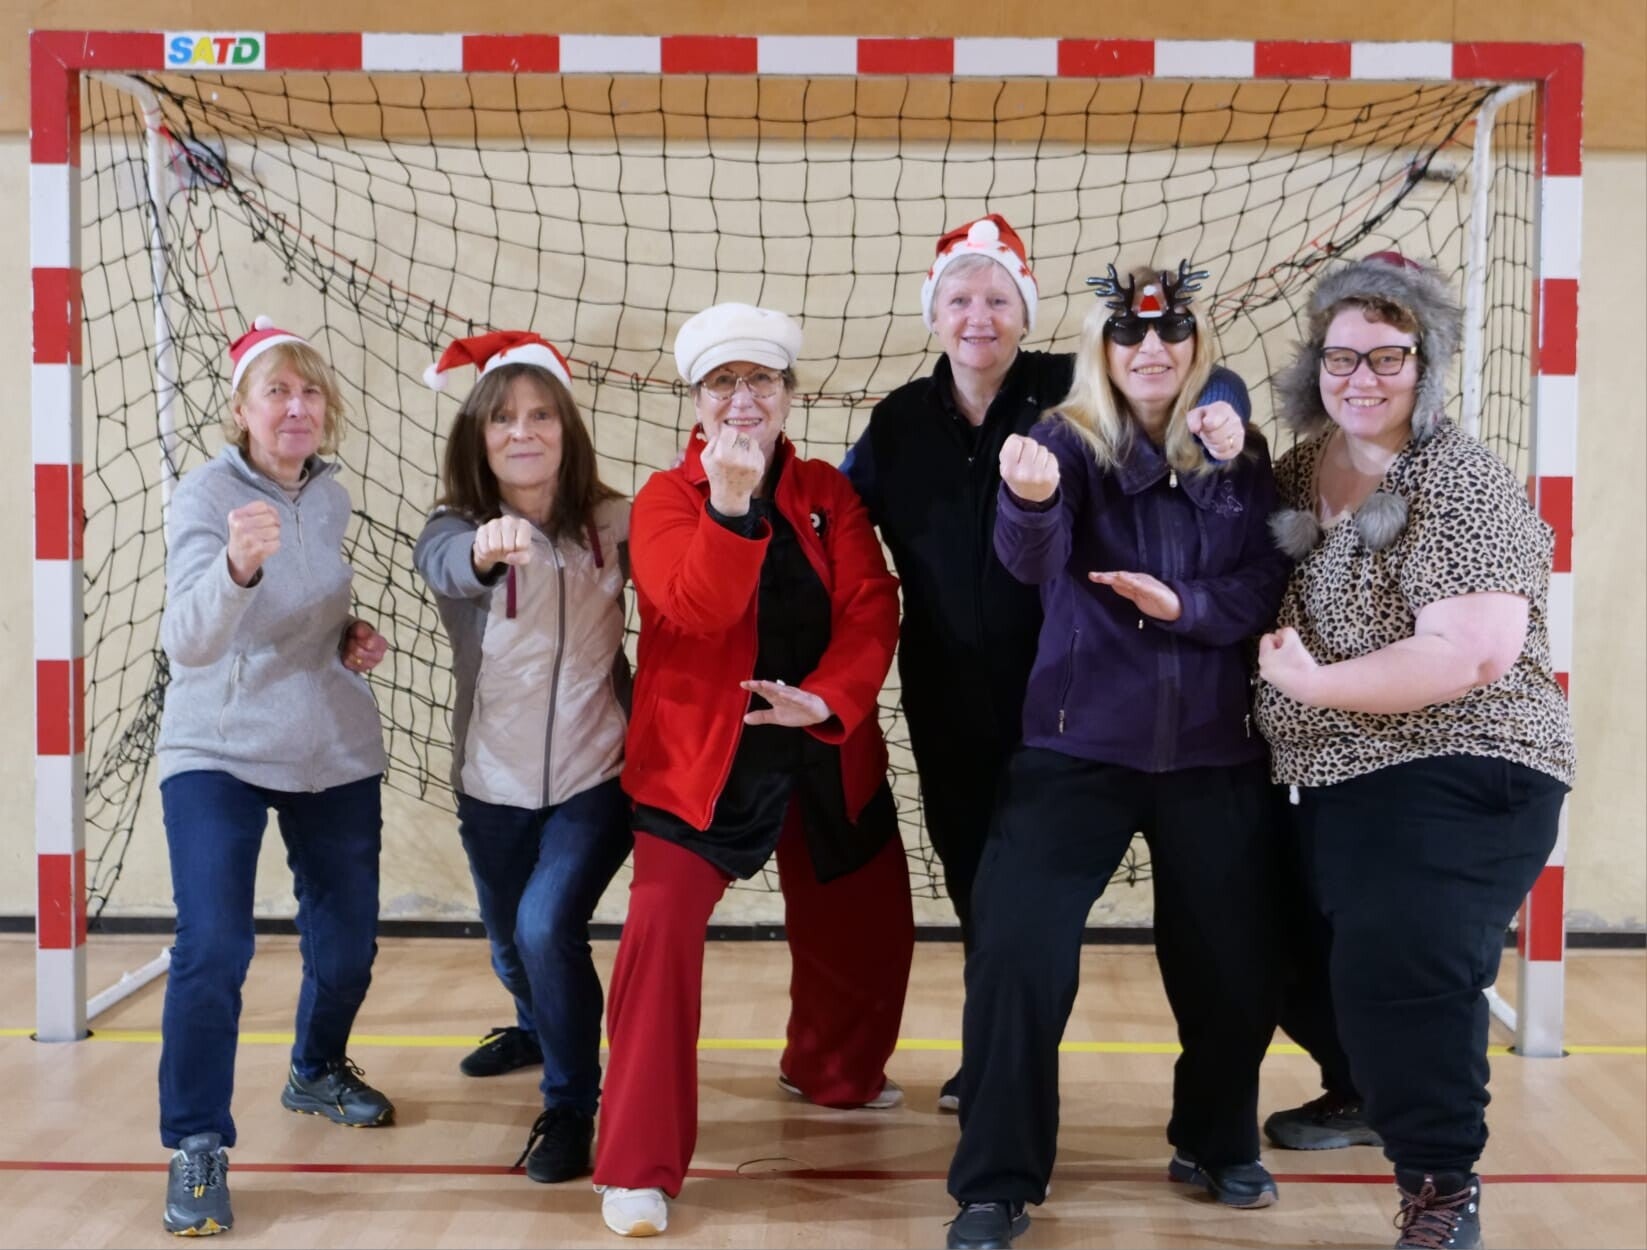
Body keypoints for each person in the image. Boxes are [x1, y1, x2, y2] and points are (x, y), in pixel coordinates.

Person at [842, 217, 1251, 1113]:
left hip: (1065, 696)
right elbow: (833, 508)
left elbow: (1176, 372)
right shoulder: (897, 421)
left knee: (1037, 897)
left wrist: (1229, 402)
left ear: (1025, 316)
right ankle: (994, 1060)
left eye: (997, 299)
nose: (977, 318)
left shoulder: (1067, 393)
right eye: (959, 300)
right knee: (974, 881)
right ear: (933, 316)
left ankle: (1025, 1077)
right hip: (945, 691)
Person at [943, 264, 1293, 1250]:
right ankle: (997, 1180)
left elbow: (1266, 577)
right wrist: (1028, 501)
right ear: (1101, 349)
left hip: (1214, 753)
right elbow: (1029, 559)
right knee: (1017, 954)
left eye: (1170, 333)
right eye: (1129, 335)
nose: (1150, 349)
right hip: (1077, 744)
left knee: (1233, 961)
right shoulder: (1062, 441)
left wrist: (1185, 605)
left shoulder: (1237, 451)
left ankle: (1215, 1139)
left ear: (1195, 345)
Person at [1254, 252, 1575, 1249]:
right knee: (1261, 938)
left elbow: (1470, 654)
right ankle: (1364, 1084)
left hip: (1465, 758)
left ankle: (1440, 1182)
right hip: (1331, 768)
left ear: (1425, 364)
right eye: (1342, 356)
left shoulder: (1459, 478)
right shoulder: (1302, 468)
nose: (1362, 377)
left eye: (1387, 357)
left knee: (1402, 951)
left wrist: (1311, 685)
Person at [591, 303, 913, 1238]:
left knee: (869, 921)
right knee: (657, 935)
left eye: (760, 381)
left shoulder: (826, 492)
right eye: (722, 383)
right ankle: (636, 1167)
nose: (743, 399)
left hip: (818, 743)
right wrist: (730, 508)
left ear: (786, 394)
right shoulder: (665, 499)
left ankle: (831, 1071)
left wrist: (828, 700)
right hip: (700, 761)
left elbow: (871, 602)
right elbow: (692, 609)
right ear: (697, 401)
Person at [155, 317, 394, 1236]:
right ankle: (196, 1143)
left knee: (348, 949)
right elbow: (189, 640)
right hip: (217, 749)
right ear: (242, 410)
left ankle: (315, 1069)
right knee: (214, 946)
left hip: (329, 747)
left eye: (309, 392)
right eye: (276, 392)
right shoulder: (206, 495)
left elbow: (310, 614)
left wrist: (348, 637)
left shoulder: (328, 497)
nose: (296, 407)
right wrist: (236, 567)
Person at [413, 330, 634, 1183]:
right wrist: (483, 550)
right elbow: (446, 565)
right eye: (502, 418)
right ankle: (538, 1025)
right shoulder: (454, 527)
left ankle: (570, 1105)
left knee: (547, 928)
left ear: (566, 429)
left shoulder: (614, 521)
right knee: (512, 947)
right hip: (492, 781)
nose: (523, 431)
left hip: (595, 774)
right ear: (479, 436)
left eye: (540, 415)